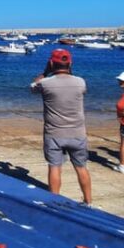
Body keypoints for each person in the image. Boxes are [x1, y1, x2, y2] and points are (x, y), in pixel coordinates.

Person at [30, 48, 92, 205]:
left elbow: (32, 87)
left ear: (51, 63)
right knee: (81, 167)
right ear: (70, 63)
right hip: (77, 132)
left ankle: (54, 201)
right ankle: (88, 201)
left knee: (55, 167)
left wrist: (45, 72)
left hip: (54, 133)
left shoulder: (45, 83)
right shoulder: (80, 82)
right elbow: (81, 91)